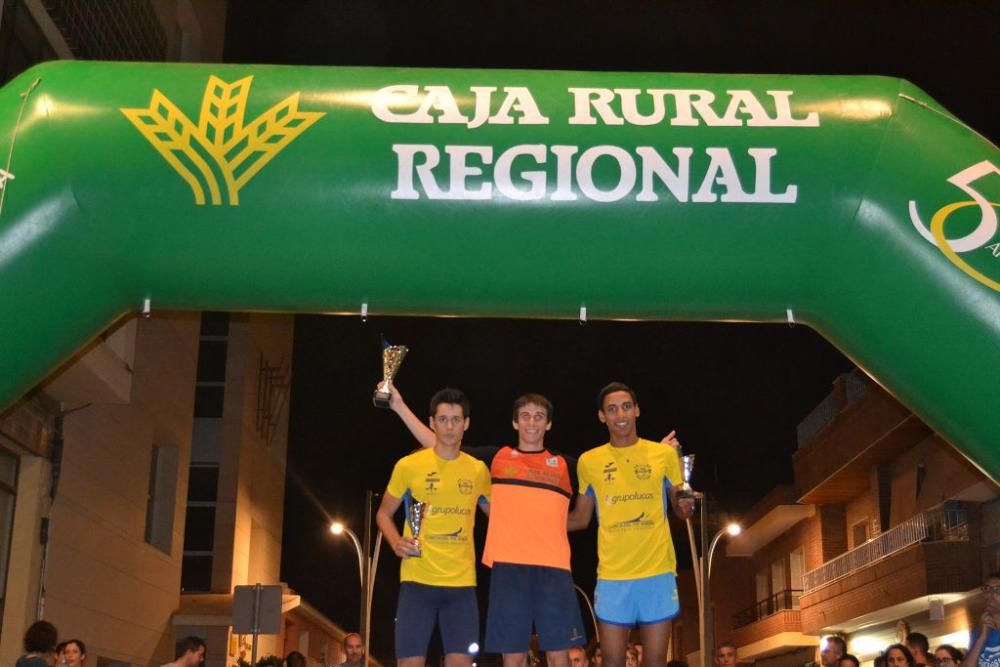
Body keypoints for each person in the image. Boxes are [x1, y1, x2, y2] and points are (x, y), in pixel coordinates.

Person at [386, 384, 585, 667]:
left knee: (558, 655)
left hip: (553, 569)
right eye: (525, 415)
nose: (531, 422)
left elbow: (604, 477)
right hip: (508, 568)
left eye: (539, 416)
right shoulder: (497, 459)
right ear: (515, 421)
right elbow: (442, 443)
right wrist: (399, 407)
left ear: (549, 423)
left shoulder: (567, 465)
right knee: (513, 656)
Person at [568, 382, 695, 667]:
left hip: (657, 572)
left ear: (637, 410)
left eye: (626, 406)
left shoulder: (663, 455)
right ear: (602, 416)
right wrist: (533, 523)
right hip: (613, 576)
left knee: (654, 663)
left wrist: (686, 503)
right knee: (611, 662)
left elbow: (682, 509)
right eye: (612, 409)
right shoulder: (589, 461)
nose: (620, 414)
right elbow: (580, 518)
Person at [376, 388, 491, 667]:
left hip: (461, 585)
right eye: (443, 419)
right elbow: (383, 514)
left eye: (455, 420)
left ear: (466, 424)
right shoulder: (409, 465)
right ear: (432, 422)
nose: (449, 426)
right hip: (417, 583)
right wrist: (394, 541)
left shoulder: (477, 471)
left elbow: (498, 517)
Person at [962, 573, 1000, 667]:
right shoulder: (977, 634)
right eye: (986, 589)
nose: (990, 594)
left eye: (997, 589)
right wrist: (982, 636)